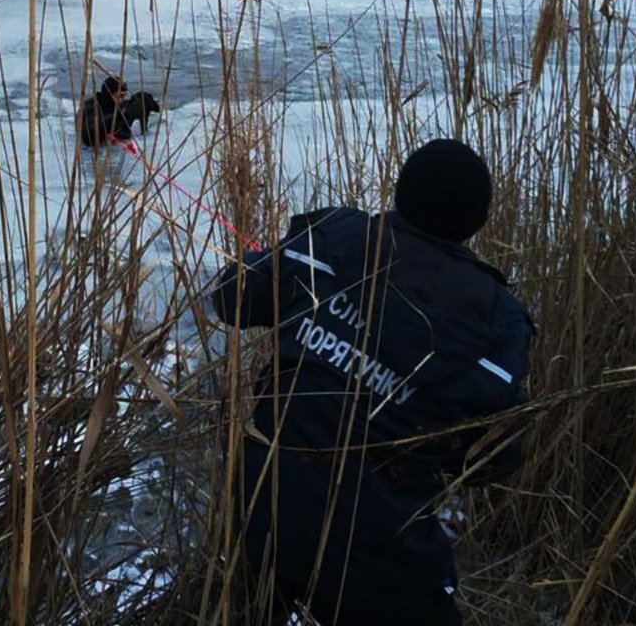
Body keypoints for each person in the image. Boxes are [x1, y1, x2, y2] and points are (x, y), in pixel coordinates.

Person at [211, 139, 533, 625]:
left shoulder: (333, 232)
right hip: (381, 544)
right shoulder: (496, 316)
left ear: (401, 190)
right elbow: (493, 455)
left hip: (263, 502)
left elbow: (230, 299)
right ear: (478, 219)